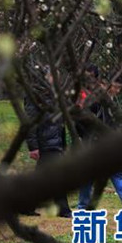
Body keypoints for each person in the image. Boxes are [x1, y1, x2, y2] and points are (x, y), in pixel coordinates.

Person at [76, 70, 122, 210]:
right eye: (115, 86)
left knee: (117, 173)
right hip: (94, 144)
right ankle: (83, 206)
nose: (117, 90)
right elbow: (80, 121)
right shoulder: (94, 100)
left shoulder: (110, 101)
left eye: (119, 88)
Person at [24, 70, 71, 218]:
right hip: (45, 142)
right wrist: (33, 146)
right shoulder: (35, 95)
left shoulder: (56, 94)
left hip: (54, 142)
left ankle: (24, 205)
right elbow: (30, 122)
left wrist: (62, 144)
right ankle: (63, 209)